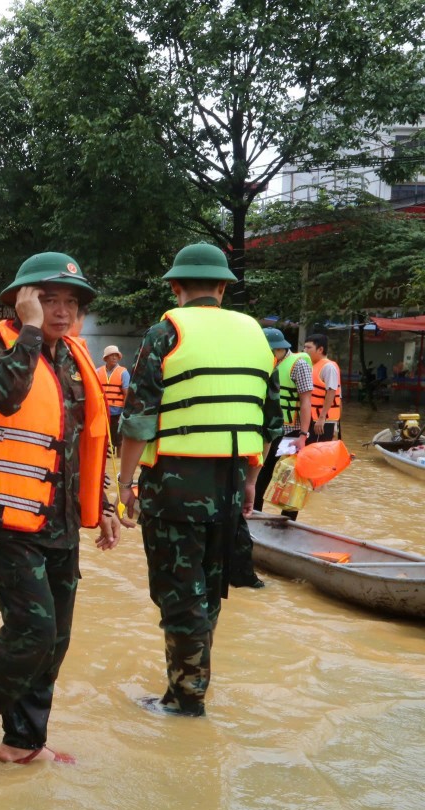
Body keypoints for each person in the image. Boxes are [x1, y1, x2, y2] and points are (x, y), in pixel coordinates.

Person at [0, 252, 118, 777]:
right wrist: (31, 330)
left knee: (55, 638)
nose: (61, 311)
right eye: (48, 299)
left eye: (71, 302)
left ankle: (22, 741)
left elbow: (81, 438)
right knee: (31, 631)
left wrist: (104, 502)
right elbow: (7, 397)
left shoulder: (76, 358)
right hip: (6, 518)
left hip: (60, 521)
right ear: (23, 301)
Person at [117, 243, 281, 718]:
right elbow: (269, 422)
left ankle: (186, 700)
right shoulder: (256, 336)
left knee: (178, 593)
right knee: (209, 592)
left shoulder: (165, 332)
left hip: (173, 487)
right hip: (229, 484)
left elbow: (138, 420)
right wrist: (250, 481)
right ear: (223, 288)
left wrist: (124, 483)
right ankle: (191, 685)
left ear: (175, 287)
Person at [227, 326, 313, 588]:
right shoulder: (262, 364)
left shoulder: (298, 365)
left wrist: (304, 435)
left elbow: (306, 400)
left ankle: (287, 530)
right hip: (266, 432)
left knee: (291, 484)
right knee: (259, 479)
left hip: (291, 434)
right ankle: (254, 526)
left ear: (279, 349)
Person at [303, 333, 341, 442]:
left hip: (323, 420)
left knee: (319, 449)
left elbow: (332, 392)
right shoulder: (312, 365)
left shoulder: (329, 367)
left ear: (320, 349)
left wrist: (322, 418)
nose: (305, 350)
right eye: (304, 347)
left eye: (309, 347)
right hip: (312, 417)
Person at [97, 345, 130, 452]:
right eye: (112, 355)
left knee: (118, 437)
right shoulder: (98, 372)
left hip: (117, 411)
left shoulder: (123, 372)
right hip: (102, 411)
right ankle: (104, 457)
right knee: (103, 437)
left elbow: (126, 393)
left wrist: (125, 412)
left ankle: (119, 458)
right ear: (106, 358)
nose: (114, 357)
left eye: (116, 355)